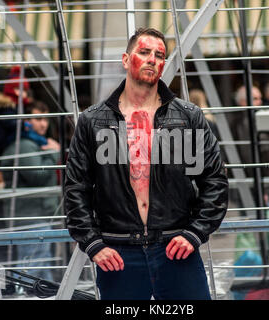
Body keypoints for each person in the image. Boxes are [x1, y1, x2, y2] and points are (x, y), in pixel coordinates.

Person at [65, 27, 228, 300]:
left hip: (176, 247)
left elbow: (214, 180)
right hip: (119, 251)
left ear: (163, 65)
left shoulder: (187, 118)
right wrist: (93, 243)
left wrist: (194, 233)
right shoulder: (93, 121)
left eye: (159, 55)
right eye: (144, 52)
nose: (152, 58)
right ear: (126, 59)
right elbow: (76, 188)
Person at [1, 100, 60, 281]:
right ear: (27, 121)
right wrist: (54, 153)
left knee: (41, 264)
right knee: (33, 264)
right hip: (31, 214)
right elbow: (37, 175)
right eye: (38, 118)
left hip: (36, 212)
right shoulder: (26, 145)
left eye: (45, 119)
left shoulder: (34, 143)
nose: (43, 123)